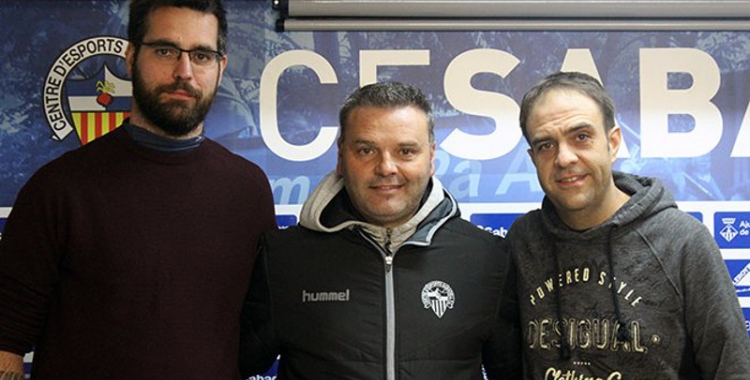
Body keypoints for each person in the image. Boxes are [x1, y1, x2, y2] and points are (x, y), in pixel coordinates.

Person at [0, 0, 277, 379]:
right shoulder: (59, 189)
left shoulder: (249, 190)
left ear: (220, 67)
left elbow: (259, 328)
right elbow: (6, 343)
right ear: (131, 58)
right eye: (165, 50)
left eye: (201, 55)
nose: (184, 72)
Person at [239, 82, 521, 380]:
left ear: (431, 157)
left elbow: (514, 372)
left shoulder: (487, 257)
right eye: (366, 150)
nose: (386, 167)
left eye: (406, 151)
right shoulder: (284, 258)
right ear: (340, 157)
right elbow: (228, 363)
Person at [508, 71, 750, 379]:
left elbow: (732, 369)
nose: (564, 157)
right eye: (546, 145)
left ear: (613, 142)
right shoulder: (523, 241)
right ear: (533, 158)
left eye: (581, 136)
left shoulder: (682, 241)